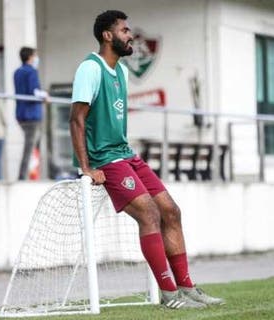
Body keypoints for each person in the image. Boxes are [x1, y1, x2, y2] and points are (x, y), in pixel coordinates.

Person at [69, 10, 224, 309]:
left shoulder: (123, 72)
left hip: (126, 154)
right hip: (105, 159)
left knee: (171, 211)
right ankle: (169, 295)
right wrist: (87, 167)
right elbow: (76, 119)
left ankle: (187, 287)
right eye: (125, 30)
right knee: (149, 213)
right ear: (107, 35)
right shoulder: (89, 69)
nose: (130, 36)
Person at [13, 47, 47, 180]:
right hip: (32, 115)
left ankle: (30, 174)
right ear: (30, 57)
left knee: (30, 145)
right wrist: (45, 95)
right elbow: (35, 92)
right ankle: (24, 176)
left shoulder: (17, 72)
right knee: (31, 147)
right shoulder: (31, 71)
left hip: (21, 114)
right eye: (35, 56)